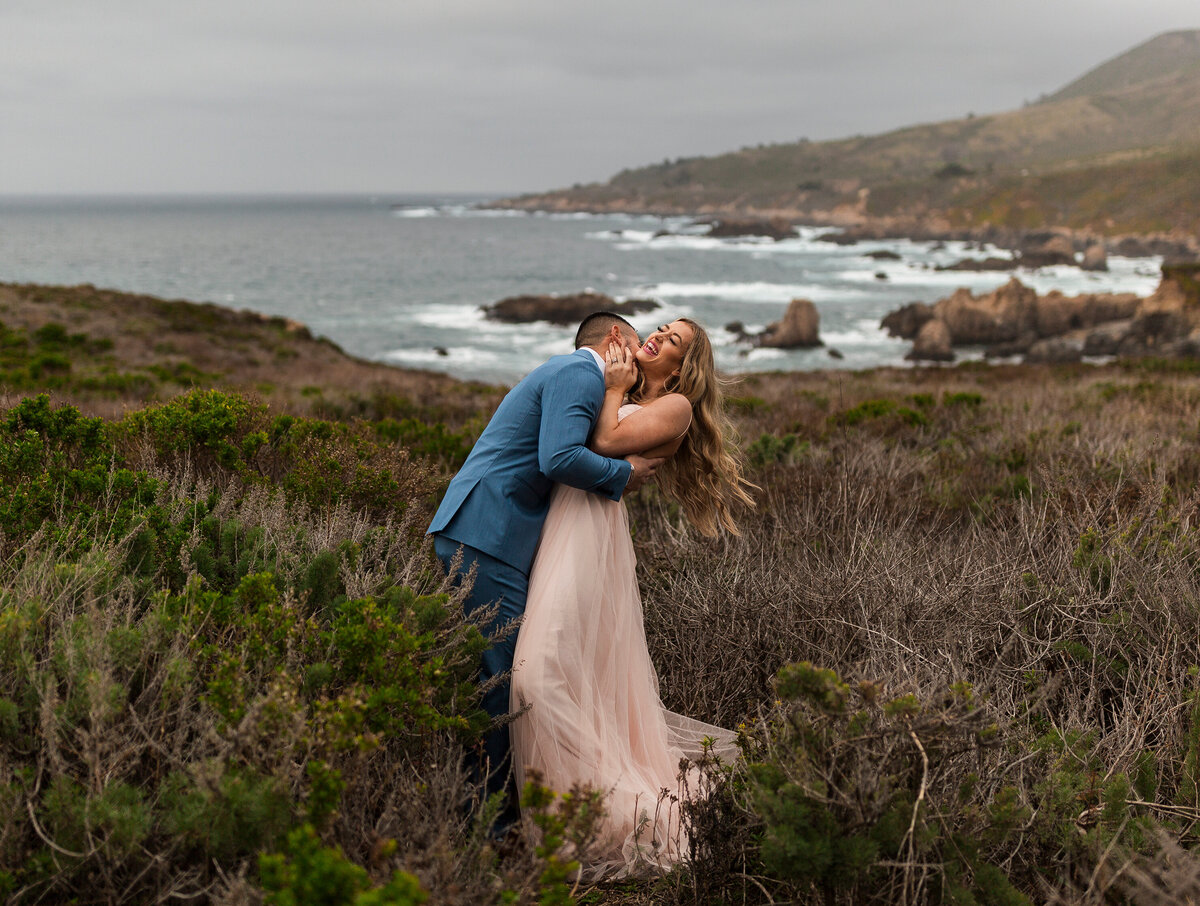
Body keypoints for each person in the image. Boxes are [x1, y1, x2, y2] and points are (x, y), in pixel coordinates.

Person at [510, 318, 755, 879]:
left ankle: (592, 816)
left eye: (672, 342)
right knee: (569, 673)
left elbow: (602, 443)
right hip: (558, 527)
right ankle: (567, 813)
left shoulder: (676, 409)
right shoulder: (605, 384)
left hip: (590, 535)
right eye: (662, 328)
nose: (656, 338)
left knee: (535, 675)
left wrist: (617, 390)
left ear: (683, 367)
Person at [428, 312, 664, 830]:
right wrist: (623, 473)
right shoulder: (578, 373)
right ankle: (488, 827)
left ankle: (492, 815)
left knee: (499, 679)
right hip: (486, 534)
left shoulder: (569, 375)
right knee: (504, 685)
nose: (643, 357)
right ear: (615, 341)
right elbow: (558, 458)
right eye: (640, 343)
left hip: (487, 532)